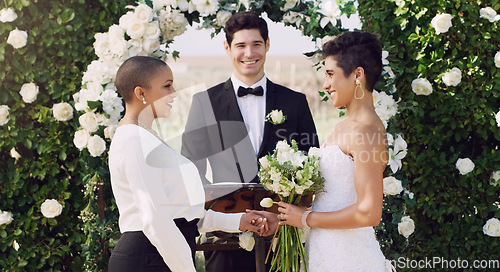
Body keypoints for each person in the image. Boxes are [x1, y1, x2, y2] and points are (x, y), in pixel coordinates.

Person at [181, 11, 318, 272]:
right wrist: (224, 215)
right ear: (227, 48)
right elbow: (191, 168)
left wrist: (285, 216)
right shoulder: (204, 103)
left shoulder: (295, 102)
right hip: (224, 234)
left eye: (256, 44)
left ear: (267, 45)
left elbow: (312, 162)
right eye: (241, 45)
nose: (249, 53)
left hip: (282, 235)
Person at [107, 56, 270, 272]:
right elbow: (153, 218)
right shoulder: (133, 139)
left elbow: (179, 212)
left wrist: (237, 221)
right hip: (147, 259)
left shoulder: (147, 136)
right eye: (166, 86)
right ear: (140, 93)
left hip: (159, 256)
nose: (174, 93)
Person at [253, 31, 394, 271]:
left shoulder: (366, 130)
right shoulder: (345, 127)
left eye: (330, 74)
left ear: (357, 75)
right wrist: (286, 218)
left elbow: (369, 212)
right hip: (325, 252)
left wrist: (306, 218)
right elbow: (333, 199)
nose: (326, 84)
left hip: (349, 259)